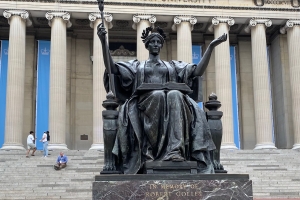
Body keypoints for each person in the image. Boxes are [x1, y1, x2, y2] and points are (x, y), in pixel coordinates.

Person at [98, 24, 227, 174]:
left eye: (158, 42)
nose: (156, 44)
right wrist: (103, 42)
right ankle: (152, 152)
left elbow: (197, 71)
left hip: (172, 101)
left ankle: (175, 151)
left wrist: (211, 46)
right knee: (158, 95)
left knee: (175, 94)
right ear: (146, 45)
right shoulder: (137, 66)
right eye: (152, 42)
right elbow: (112, 69)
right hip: (143, 102)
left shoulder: (172, 65)